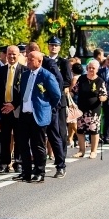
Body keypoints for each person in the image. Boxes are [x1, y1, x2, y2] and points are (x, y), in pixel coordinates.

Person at [13, 51, 61, 183]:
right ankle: (26, 172)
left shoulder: (46, 75)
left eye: (31, 59)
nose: (28, 60)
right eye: (27, 58)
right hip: (25, 114)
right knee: (22, 143)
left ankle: (40, 171)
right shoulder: (25, 75)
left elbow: (56, 95)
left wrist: (46, 107)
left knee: (38, 145)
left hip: (38, 115)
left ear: (39, 61)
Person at [0, 45, 25, 174]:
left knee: (19, 136)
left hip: (17, 108)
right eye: (9, 54)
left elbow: (24, 92)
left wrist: (14, 104)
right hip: (4, 108)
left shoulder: (23, 71)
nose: (12, 56)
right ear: (6, 55)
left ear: (18, 55)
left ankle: (18, 162)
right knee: (4, 137)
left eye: (14, 54)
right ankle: (4, 163)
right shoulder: (0, 70)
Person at [46, 37, 72, 177]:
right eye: (51, 45)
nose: (53, 47)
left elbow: (67, 79)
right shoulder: (44, 60)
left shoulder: (63, 62)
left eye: (56, 45)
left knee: (60, 131)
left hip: (59, 100)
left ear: (60, 47)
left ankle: (61, 159)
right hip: (45, 100)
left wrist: (60, 88)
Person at [72, 59, 107, 159]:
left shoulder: (99, 81)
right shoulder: (82, 78)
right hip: (82, 108)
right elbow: (74, 90)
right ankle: (81, 151)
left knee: (93, 130)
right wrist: (68, 95)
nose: (91, 69)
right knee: (80, 130)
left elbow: (104, 94)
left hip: (94, 110)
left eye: (93, 68)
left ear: (97, 69)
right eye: (89, 68)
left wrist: (102, 98)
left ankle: (93, 151)